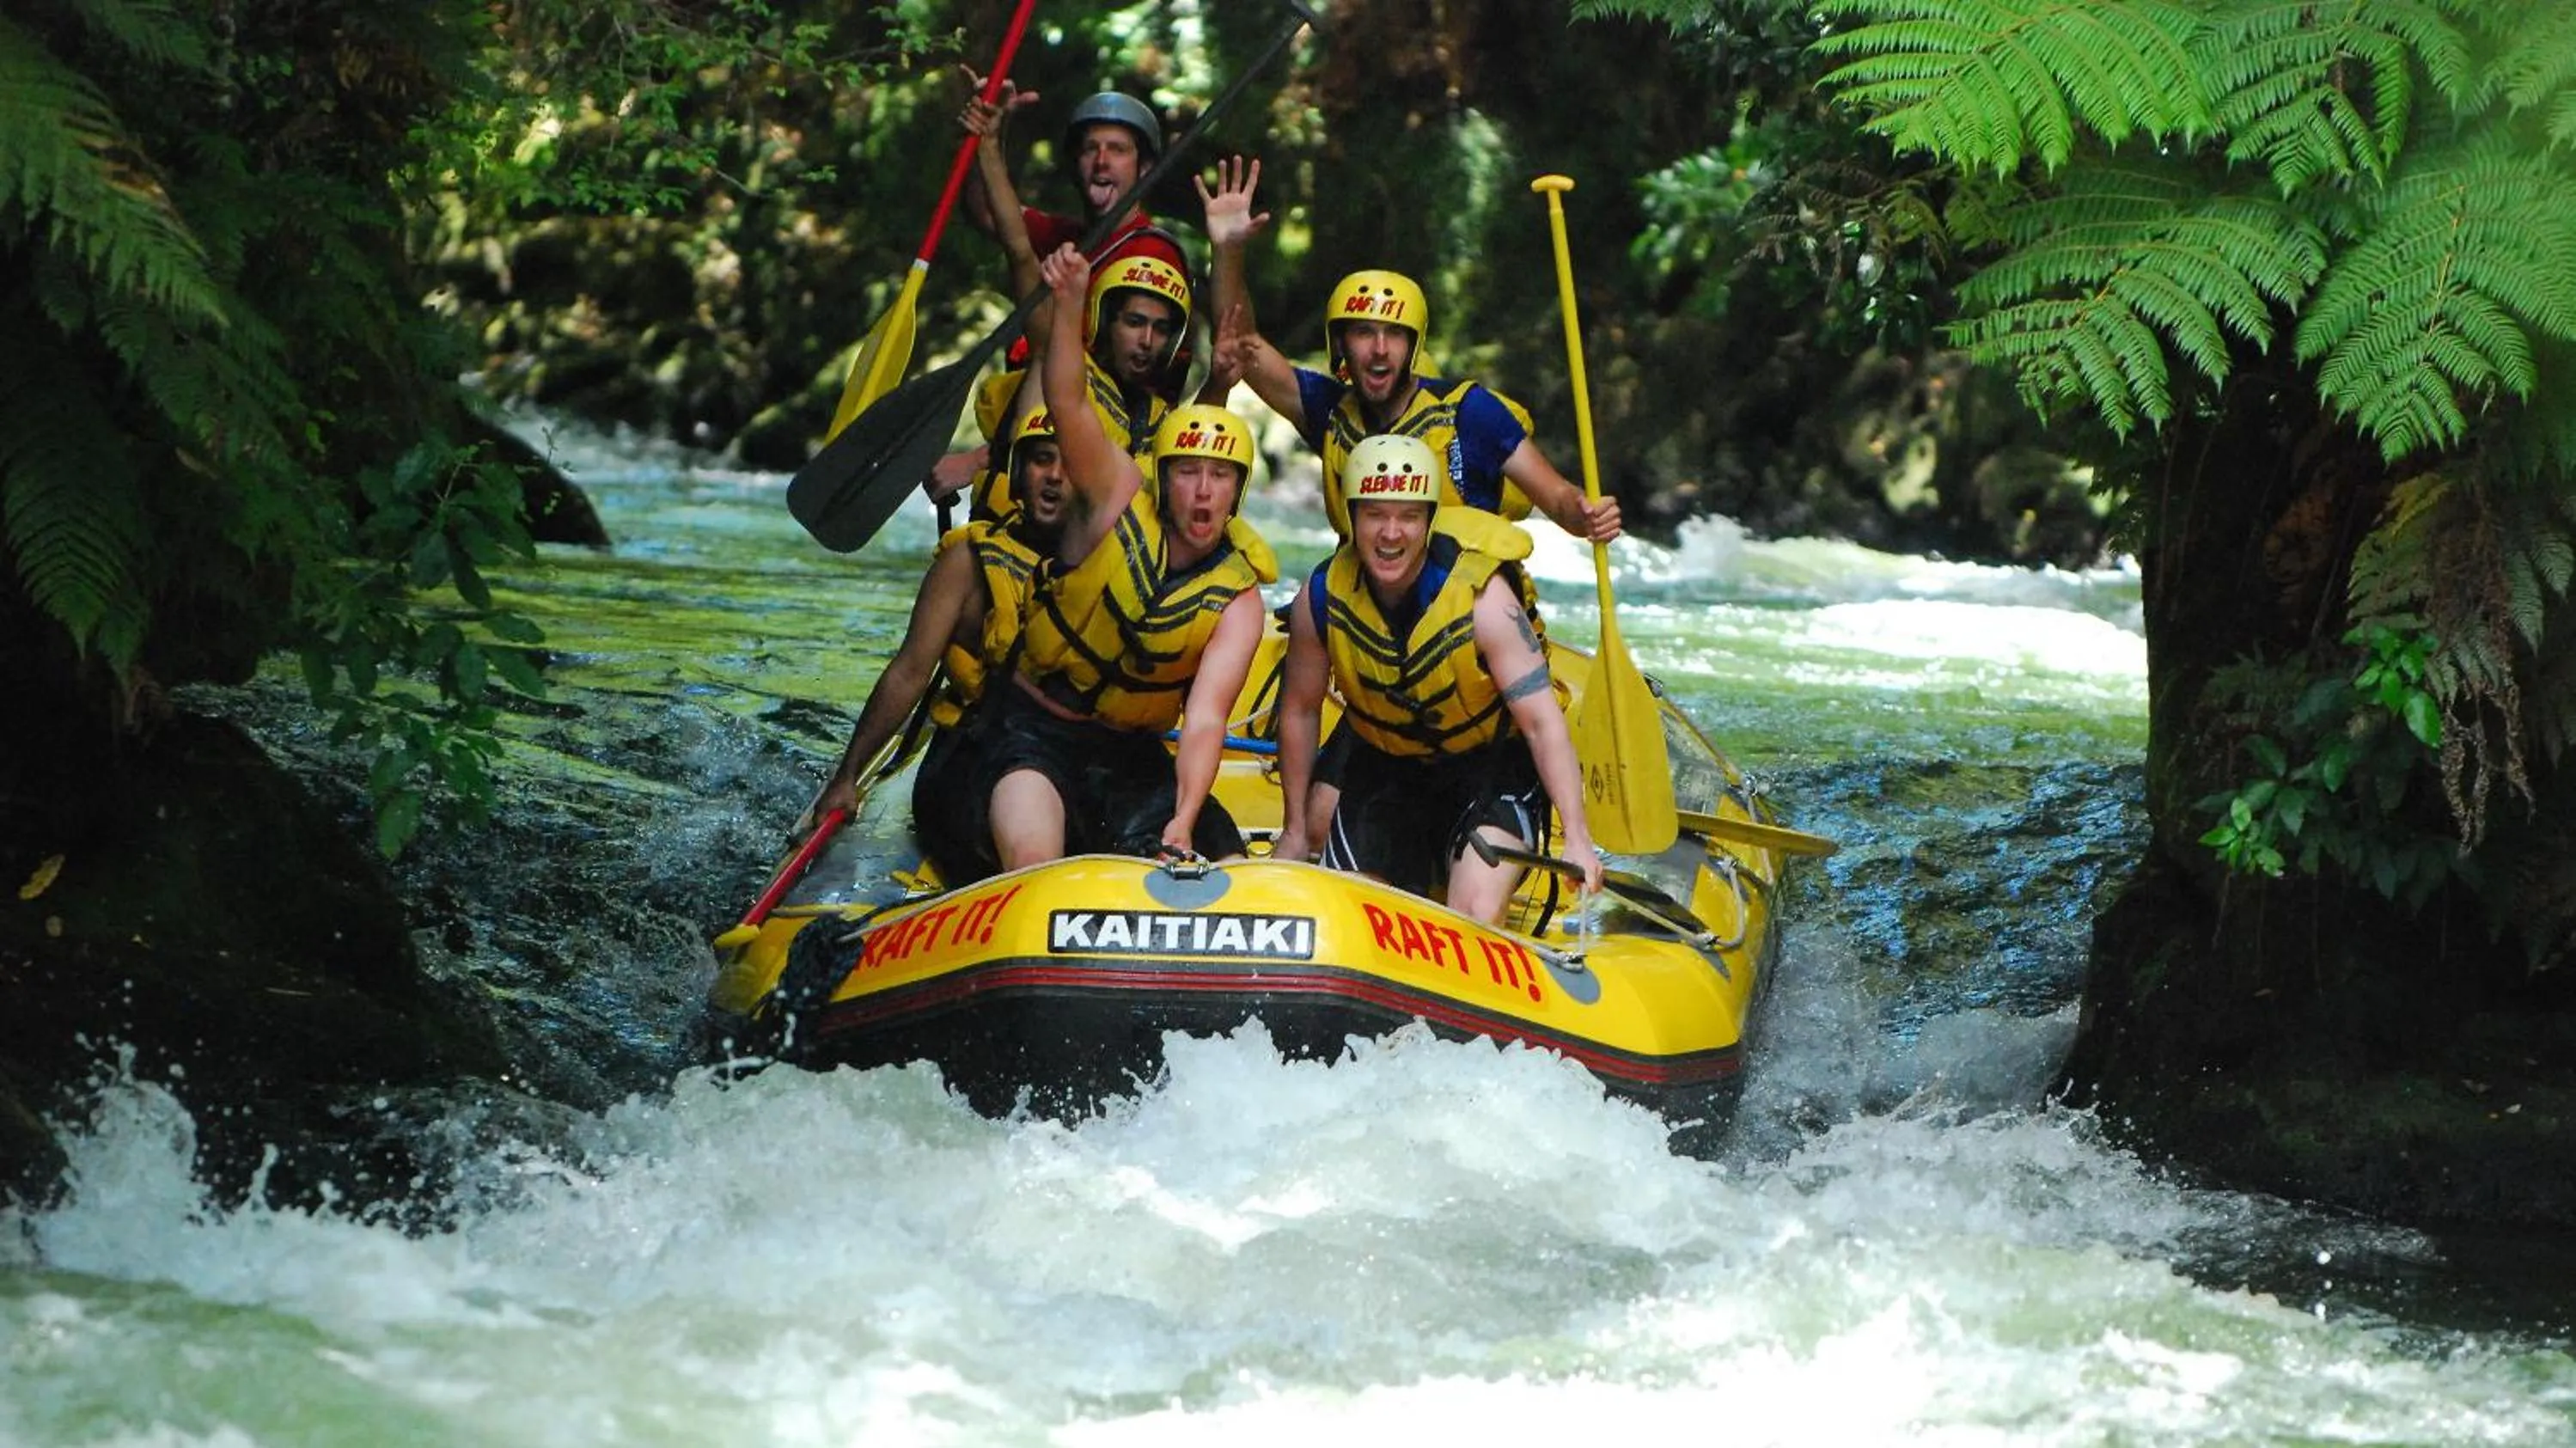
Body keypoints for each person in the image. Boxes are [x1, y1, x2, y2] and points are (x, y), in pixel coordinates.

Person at [978, 242, 1275, 867]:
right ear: (1161, 479)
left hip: (1127, 753)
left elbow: (1204, 720)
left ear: (1237, 492)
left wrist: (1184, 821)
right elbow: (1065, 401)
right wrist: (1068, 305)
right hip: (1032, 731)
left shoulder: (1237, 597)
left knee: (1231, 865)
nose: (1201, 491)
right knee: (1034, 855)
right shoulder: (1114, 491)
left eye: (1219, 477)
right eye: (1187, 473)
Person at [1197, 156, 1621, 545]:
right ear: (1341, 345)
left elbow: (1558, 497)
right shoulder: (1331, 413)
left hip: (1467, 605)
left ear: (1414, 345)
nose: (1380, 350)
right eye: (1364, 333)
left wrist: (1585, 516)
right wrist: (1229, 250)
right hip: (1368, 610)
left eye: (1394, 335)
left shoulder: (1470, 413)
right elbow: (1242, 343)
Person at [1274, 435, 1603, 922]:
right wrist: (1295, 829)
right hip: (1387, 768)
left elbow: (1540, 722)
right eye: (1375, 515)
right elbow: (1300, 710)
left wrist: (1577, 836)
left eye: (1408, 516)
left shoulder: (1484, 602)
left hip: (1489, 770)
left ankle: (1454, 873)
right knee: (1346, 917)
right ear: (1351, 517)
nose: (1391, 534)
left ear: (1428, 522)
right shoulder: (1320, 599)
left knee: (1473, 911)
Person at [799, 406, 1073, 883]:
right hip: (977, 753)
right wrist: (847, 777)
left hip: (1066, 751)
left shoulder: (1110, 562)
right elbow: (910, 672)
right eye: (1040, 460)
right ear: (1016, 472)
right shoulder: (967, 564)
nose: (1053, 478)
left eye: (1069, 464)